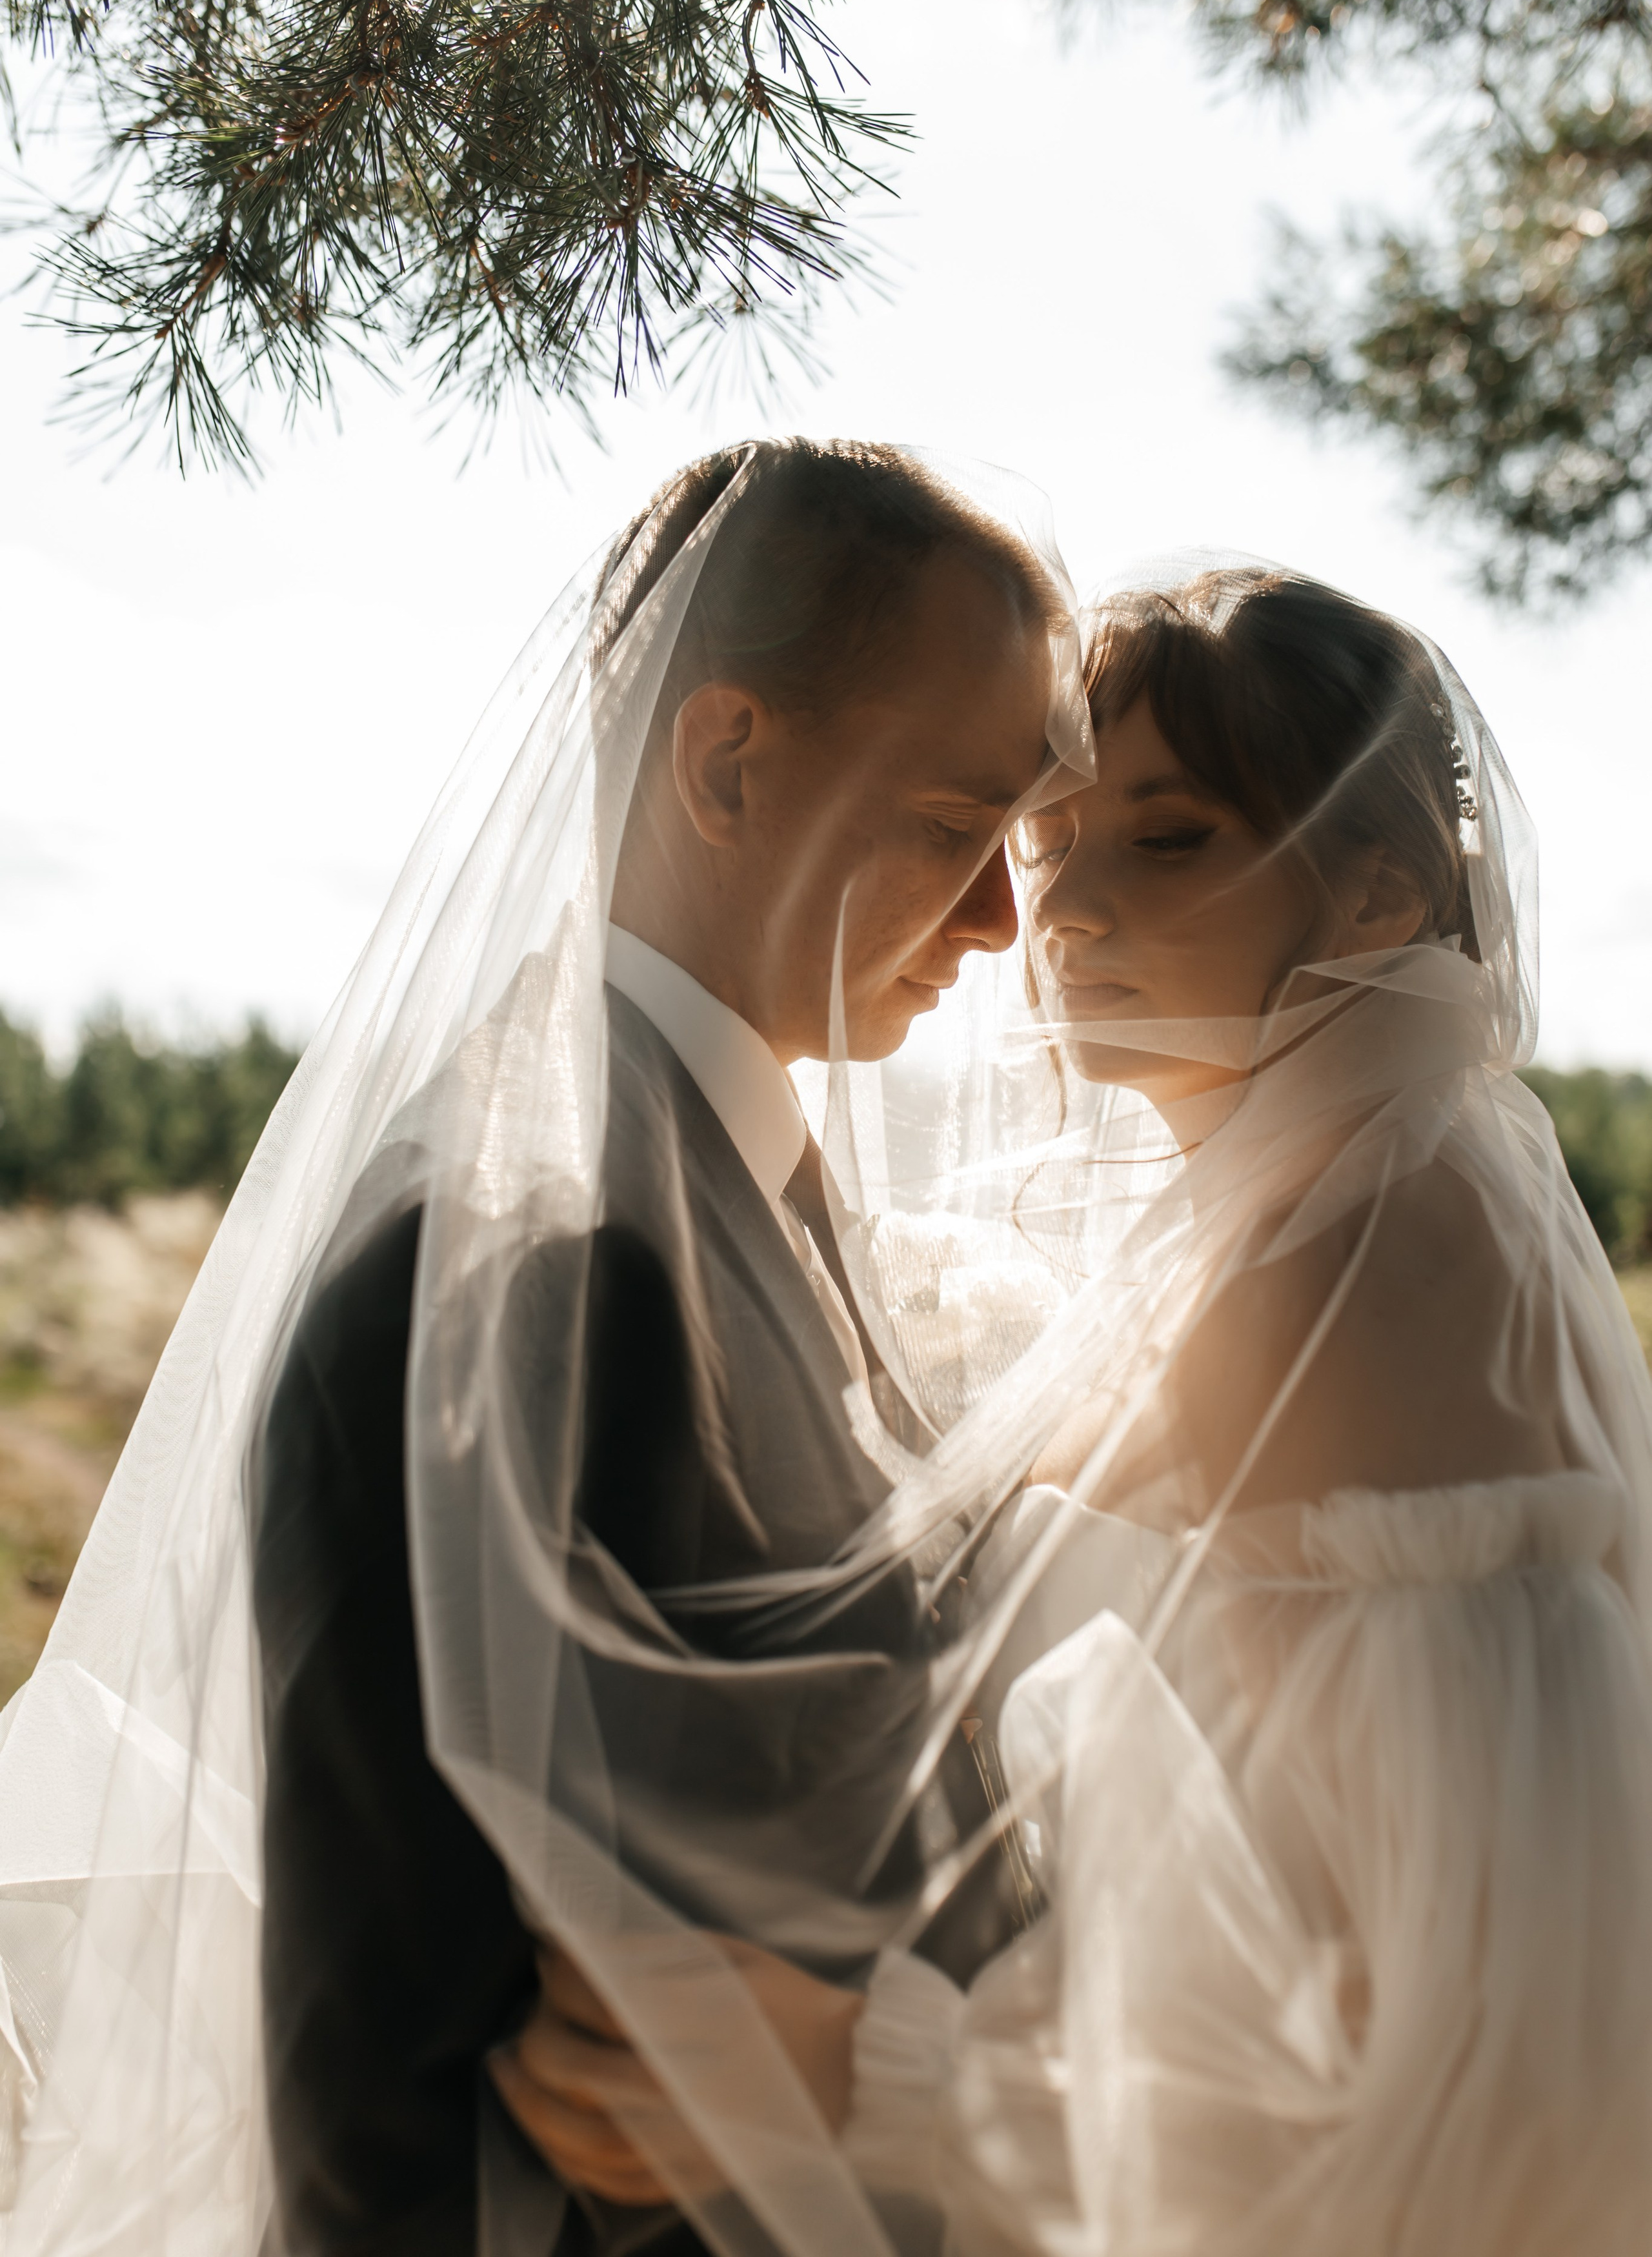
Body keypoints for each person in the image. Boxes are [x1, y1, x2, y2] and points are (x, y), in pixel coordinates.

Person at [0, 438, 1093, 2257]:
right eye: (950, 825)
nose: (1000, 922)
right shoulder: (516, 1258)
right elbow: (379, 2103)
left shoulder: (750, 1187)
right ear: (728, 762)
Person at [501, 566, 1652, 2257]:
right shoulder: (1311, 1212)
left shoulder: (1363, 1256)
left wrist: (864, 2072)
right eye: (1047, 846)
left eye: (1167, 840)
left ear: (1379, 888)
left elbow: (1489, 2047)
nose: (1068, 913)